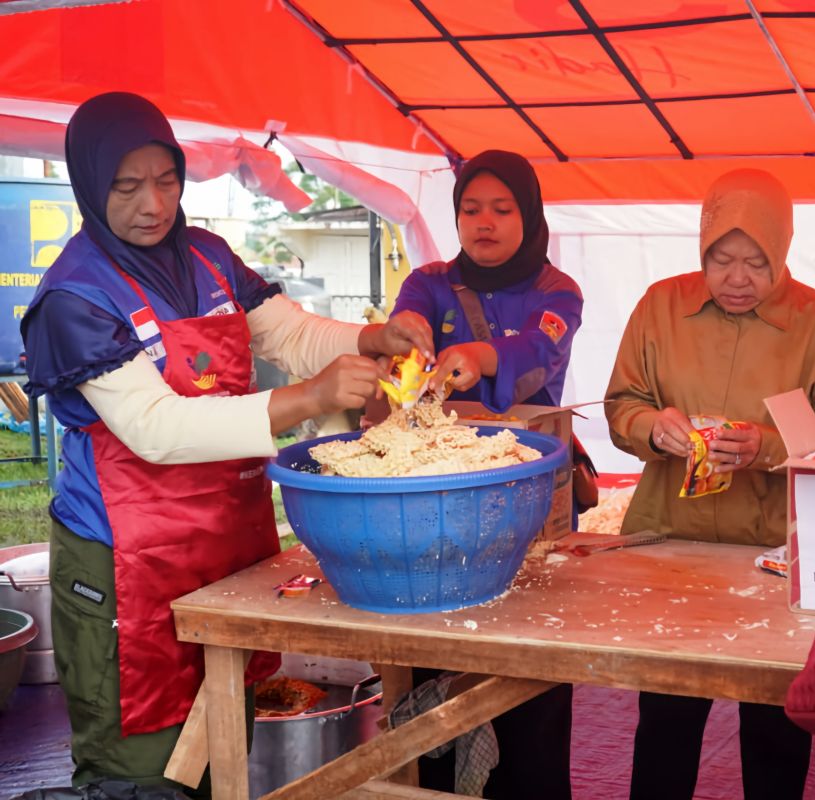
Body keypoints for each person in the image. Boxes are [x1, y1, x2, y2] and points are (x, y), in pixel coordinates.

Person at [19, 92, 431, 795]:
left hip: (223, 551)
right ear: (90, 184)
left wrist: (370, 338)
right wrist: (306, 399)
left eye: (166, 180)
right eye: (126, 186)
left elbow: (292, 335)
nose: (152, 203)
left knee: (226, 746)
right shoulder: (75, 297)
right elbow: (156, 427)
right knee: (143, 770)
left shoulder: (209, 257)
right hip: (128, 564)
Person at [605, 168, 815, 800]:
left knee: (776, 724)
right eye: (721, 259)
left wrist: (769, 447)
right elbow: (622, 403)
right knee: (667, 719)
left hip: (776, 558)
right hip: (671, 549)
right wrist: (654, 428)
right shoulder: (659, 307)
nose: (736, 278)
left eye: (757, 263)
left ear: (781, 253)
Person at [383, 149, 583, 800]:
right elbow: (406, 321)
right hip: (438, 507)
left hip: (531, 505)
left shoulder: (558, 291)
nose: (485, 222)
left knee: (532, 670)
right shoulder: (431, 282)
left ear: (529, 215)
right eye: (471, 209)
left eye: (502, 209)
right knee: (436, 664)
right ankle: (436, 782)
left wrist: (479, 354)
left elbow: (537, 351)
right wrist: (404, 332)